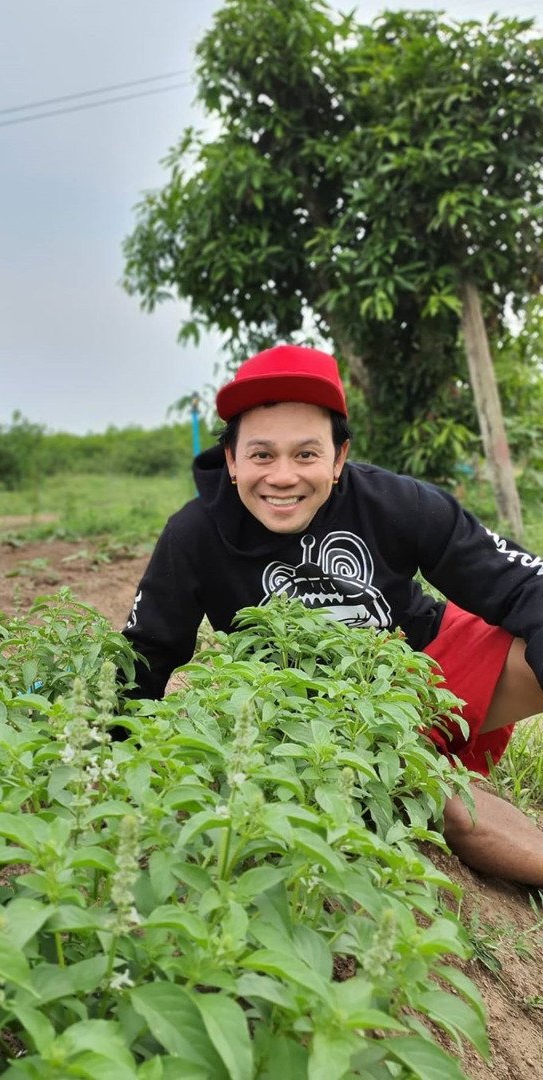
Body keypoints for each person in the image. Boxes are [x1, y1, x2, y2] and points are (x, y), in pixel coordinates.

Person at [122, 344, 543, 885]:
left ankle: (432, 763)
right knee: (450, 813)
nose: (281, 476)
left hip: (425, 670)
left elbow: (522, 581)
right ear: (231, 460)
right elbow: (146, 654)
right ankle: (430, 779)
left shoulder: (399, 502)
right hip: (313, 723)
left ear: (339, 458)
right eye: (261, 455)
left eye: (305, 454)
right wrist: (106, 760)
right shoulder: (194, 534)